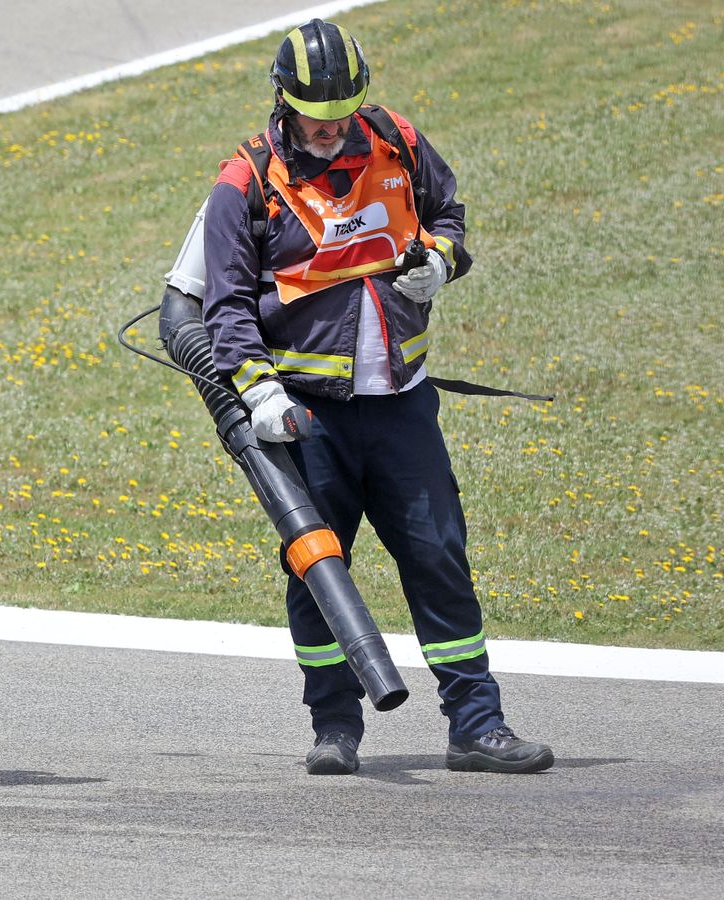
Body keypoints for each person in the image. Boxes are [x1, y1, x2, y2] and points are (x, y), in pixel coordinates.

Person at [198, 20, 554, 775]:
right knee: (318, 571)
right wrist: (258, 391)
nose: (329, 133)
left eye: (342, 118)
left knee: (438, 555)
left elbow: (448, 218)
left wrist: (441, 263)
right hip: (305, 416)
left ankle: (476, 724)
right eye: (315, 121)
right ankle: (334, 727)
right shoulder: (245, 182)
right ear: (283, 102)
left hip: (400, 404)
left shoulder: (399, 142)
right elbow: (224, 304)